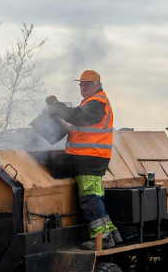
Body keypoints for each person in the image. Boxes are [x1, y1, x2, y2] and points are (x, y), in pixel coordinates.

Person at [46, 69, 122, 250]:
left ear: (97, 85)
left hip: (91, 158)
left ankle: (103, 238)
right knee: (95, 196)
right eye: (81, 84)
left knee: (89, 198)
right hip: (89, 158)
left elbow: (75, 116)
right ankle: (111, 232)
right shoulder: (91, 102)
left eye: (87, 84)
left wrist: (57, 106)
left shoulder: (98, 103)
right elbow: (77, 123)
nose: (83, 87)